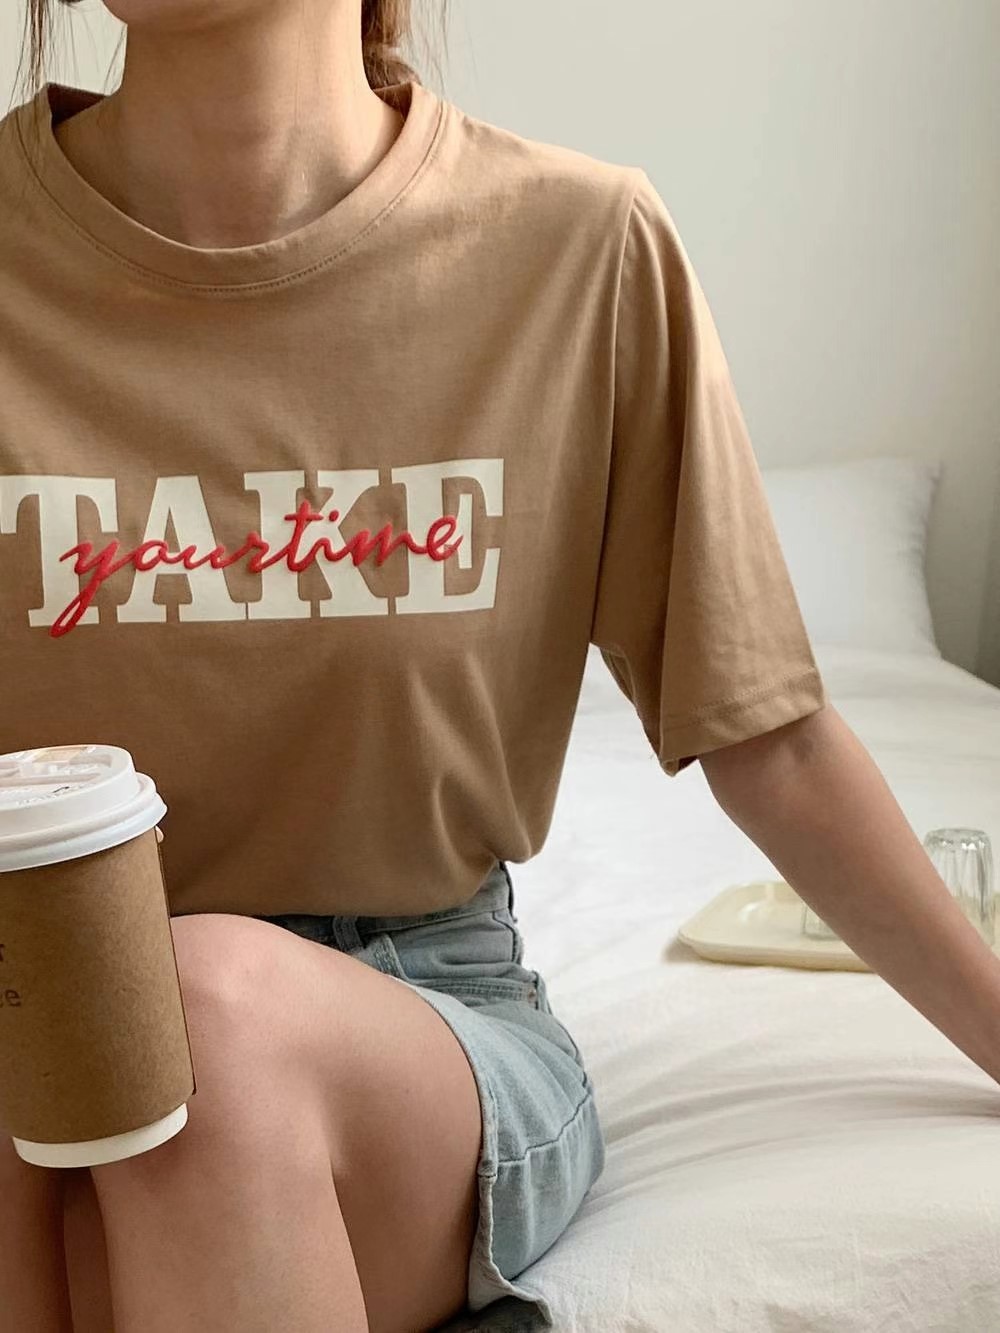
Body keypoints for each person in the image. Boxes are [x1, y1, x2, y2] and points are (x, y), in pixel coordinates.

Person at [4, 2, 1000, 1331]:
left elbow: (770, 738)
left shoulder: (576, 251)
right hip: (29, 1005)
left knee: (195, 1026)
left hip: (422, 1011)